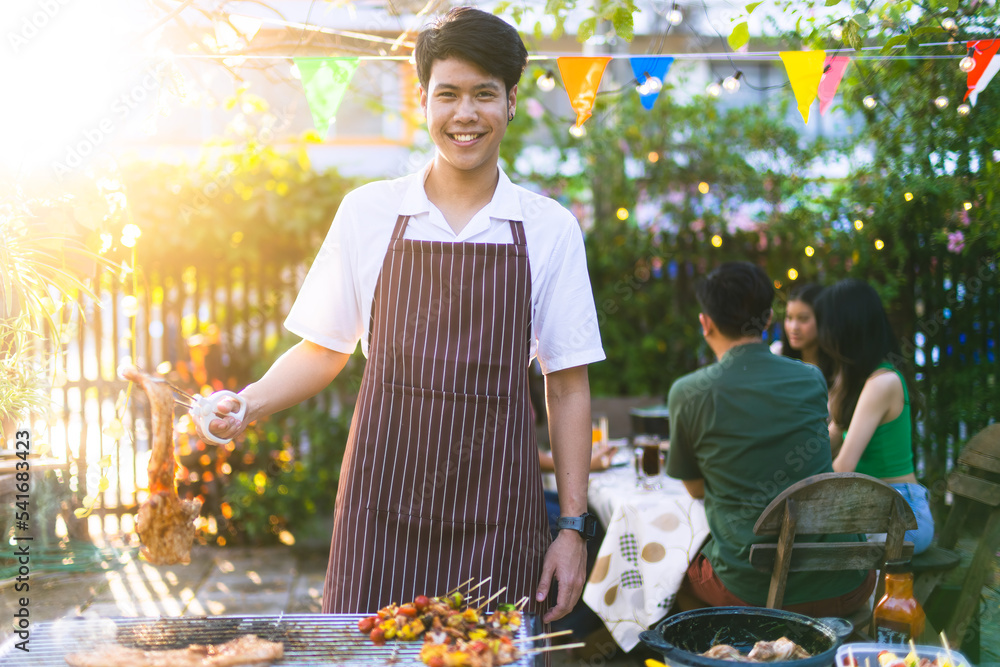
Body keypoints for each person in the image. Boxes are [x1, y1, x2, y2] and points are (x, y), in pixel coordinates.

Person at [195, 7, 605, 622]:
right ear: (422, 100)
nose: (465, 114)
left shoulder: (547, 229)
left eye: (484, 95)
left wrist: (570, 528)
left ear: (512, 101)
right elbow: (324, 347)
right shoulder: (368, 212)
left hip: (498, 516)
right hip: (379, 510)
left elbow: (568, 382)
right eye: (449, 94)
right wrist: (248, 403)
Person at [667, 261, 874, 614]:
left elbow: (696, 490)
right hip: (846, 583)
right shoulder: (811, 379)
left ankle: (728, 651)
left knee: (668, 579)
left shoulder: (688, 392)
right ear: (767, 321)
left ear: (706, 323)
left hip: (751, 590)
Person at [815, 279, 934, 554]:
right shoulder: (856, 377)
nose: (822, 335)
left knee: (813, 543)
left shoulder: (883, 382)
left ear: (847, 326)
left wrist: (795, 487)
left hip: (903, 516)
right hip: (871, 509)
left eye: (826, 325)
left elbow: (844, 465)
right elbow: (833, 435)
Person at [773, 283, 826, 369]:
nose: (793, 327)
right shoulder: (777, 355)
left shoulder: (838, 368)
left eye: (803, 319)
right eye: (789, 317)